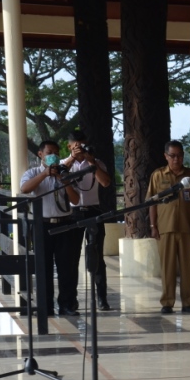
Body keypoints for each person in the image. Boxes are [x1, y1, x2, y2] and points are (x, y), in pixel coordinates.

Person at [19, 140, 81, 316]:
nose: (52, 154)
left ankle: (67, 304)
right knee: (43, 267)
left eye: (55, 151)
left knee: (67, 268)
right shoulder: (32, 172)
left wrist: (63, 180)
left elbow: (75, 200)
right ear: (40, 154)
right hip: (42, 226)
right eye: (49, 152)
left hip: (65, 225)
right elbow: (24, 189)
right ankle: (45, 306)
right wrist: (45, 174)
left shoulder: (66, 173)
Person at [149, 140, 190, 314]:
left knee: (187, 268)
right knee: (167, 267)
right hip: (165, 229)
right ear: (166, 156)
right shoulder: (158, 175)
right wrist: (153, 225)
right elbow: (152, 202)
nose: (176, 159)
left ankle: (188, 303)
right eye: (172, 155)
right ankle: (167, 302)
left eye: (180, 155)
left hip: (187, 228)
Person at [63, 129, 113, 310]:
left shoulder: (96, 163)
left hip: (93, 211)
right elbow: (58, 178)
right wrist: (71, 159)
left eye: (82, 145)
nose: (79, 149)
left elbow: (106, 182)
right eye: (76, 146)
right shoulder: (64, 163)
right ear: (69, 146)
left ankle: (102, 298)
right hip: (72, 213)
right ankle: (72, 299)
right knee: (71, 256)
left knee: (97, 255)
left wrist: (91, 162)